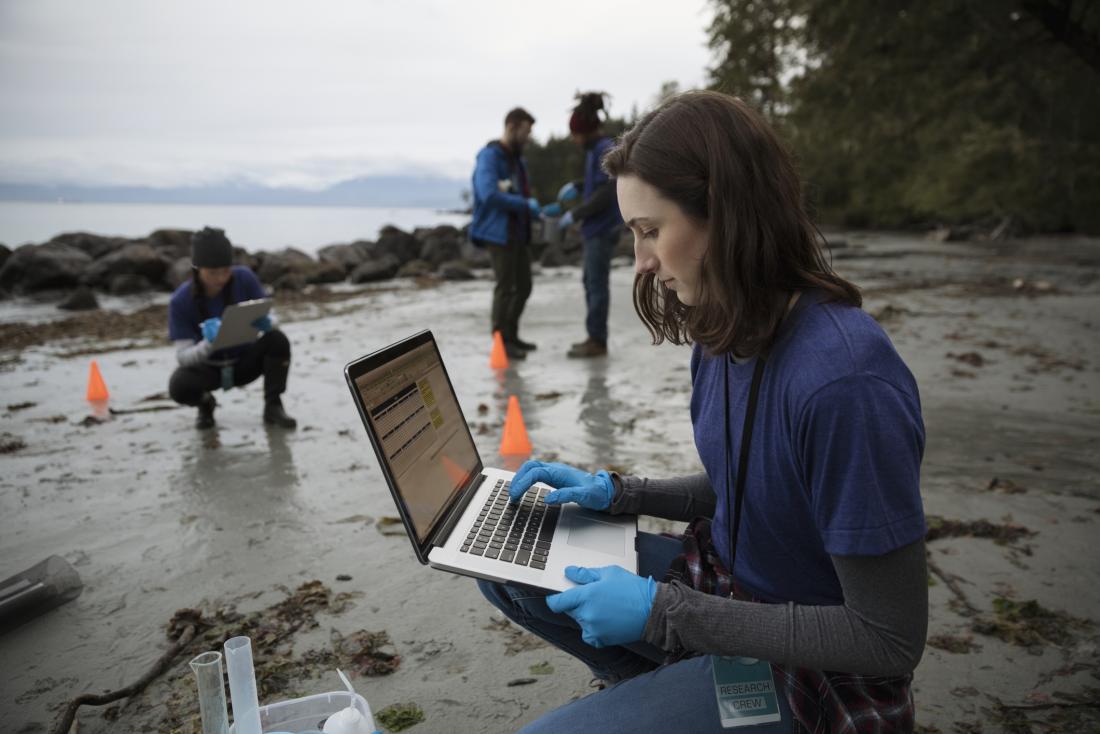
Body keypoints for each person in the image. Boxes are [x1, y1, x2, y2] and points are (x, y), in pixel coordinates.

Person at [478, 91, 928, 732]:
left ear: (727, 215)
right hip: (730, 585)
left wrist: (665, 613)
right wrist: (616, 493)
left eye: (650, 231)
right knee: (509, 568)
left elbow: (889, 638)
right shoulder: (725, 331)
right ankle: (675, 694)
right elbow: (752, 488)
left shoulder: (846, 383)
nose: (642, 263)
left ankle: (693, 700)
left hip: (819, 677)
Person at [167, 227, 297, 430]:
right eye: (212, 273)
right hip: (210, 369)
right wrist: (209, 344)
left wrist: (268, 323)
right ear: (197, 268)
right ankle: (205, 405)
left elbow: (271, 315)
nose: (220, 278)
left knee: (278, 340)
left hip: (244, 363)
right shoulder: (180, 301)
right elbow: (183, 356)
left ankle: (273, 406)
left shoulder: (244, 278)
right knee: (178, 385)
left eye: (225, 271)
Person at [543, 92, 624, 358]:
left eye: (575, 134)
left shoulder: (603, 148)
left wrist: (576, 214)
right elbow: (596, 184)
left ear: (586, 131)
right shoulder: (593, 152)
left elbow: (607, 192)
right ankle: (594, 336)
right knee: (590, 282)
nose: (573, 139)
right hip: (595, 229)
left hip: (602, 229)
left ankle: (597, 341)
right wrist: (578, 186)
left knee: (596, 284)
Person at [469, 107, 543, 360]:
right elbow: (488, 194)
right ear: (511, 126)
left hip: (519, 233)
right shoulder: (489, 157)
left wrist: (534, 210)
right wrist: (523, 204)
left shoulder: (518, 159)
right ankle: (500, 341)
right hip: (497, 233)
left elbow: (522, 193)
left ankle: (512, 336)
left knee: (524, 286)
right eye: (526, 131)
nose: (529, 137)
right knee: (505, 287)